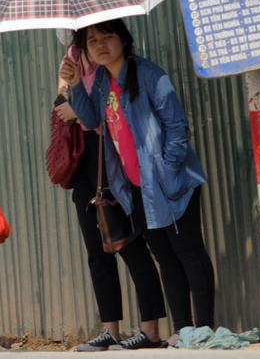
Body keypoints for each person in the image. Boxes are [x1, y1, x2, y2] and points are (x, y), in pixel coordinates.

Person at [60, 19, 215, 344]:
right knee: (165, 257)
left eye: (107, 36)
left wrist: (168, 170)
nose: (100, 45)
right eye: (92, 41)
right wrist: (74, 84)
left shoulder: (149, 75)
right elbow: (90, 120)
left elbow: (176, 127)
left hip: (171, 183)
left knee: (189, 252)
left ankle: (204, 329)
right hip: (136, 187)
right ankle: (182, 330)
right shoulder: (102, 79)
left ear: (123, 38)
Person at [54, 36, 167, 351]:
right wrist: (71, 94)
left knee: (129, 243)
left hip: (113, 155)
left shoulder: (110, 59)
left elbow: (109, 108)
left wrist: (79, 110)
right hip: (84, 160)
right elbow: (60, 102)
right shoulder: (74, 54)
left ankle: (150, 330)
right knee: (96, 249)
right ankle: (110, 329)